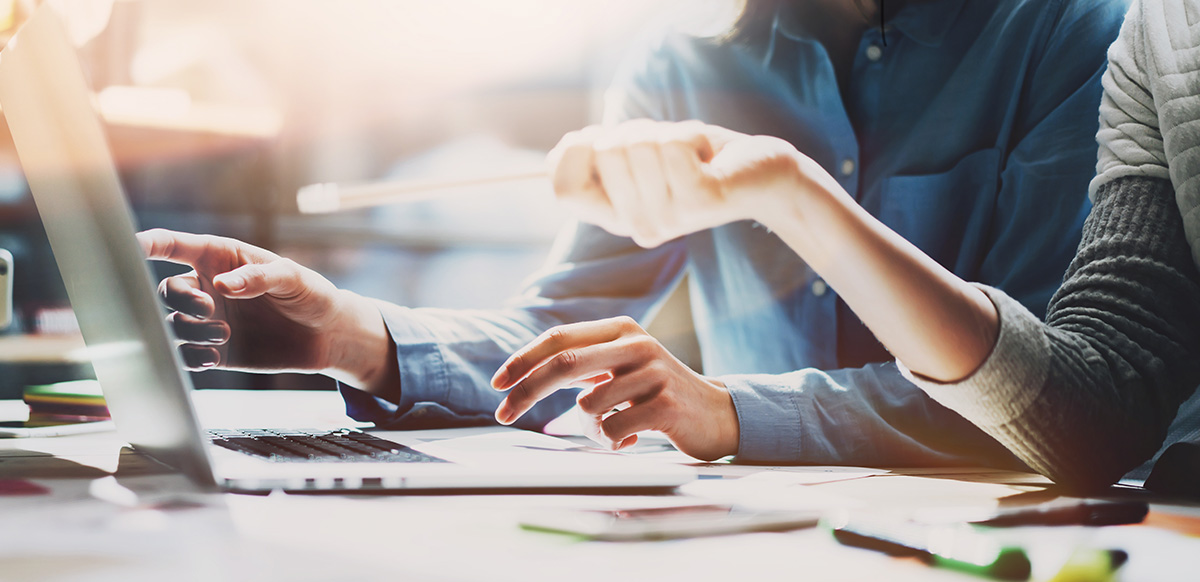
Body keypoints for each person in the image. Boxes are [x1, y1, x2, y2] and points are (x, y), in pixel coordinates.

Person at [140, 0, 1128, 468]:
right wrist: (355, 340)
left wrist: (732, 412)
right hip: (773, 535)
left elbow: (1048, 384)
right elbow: (567, 322)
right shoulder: (678, 58)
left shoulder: (1080, 33)